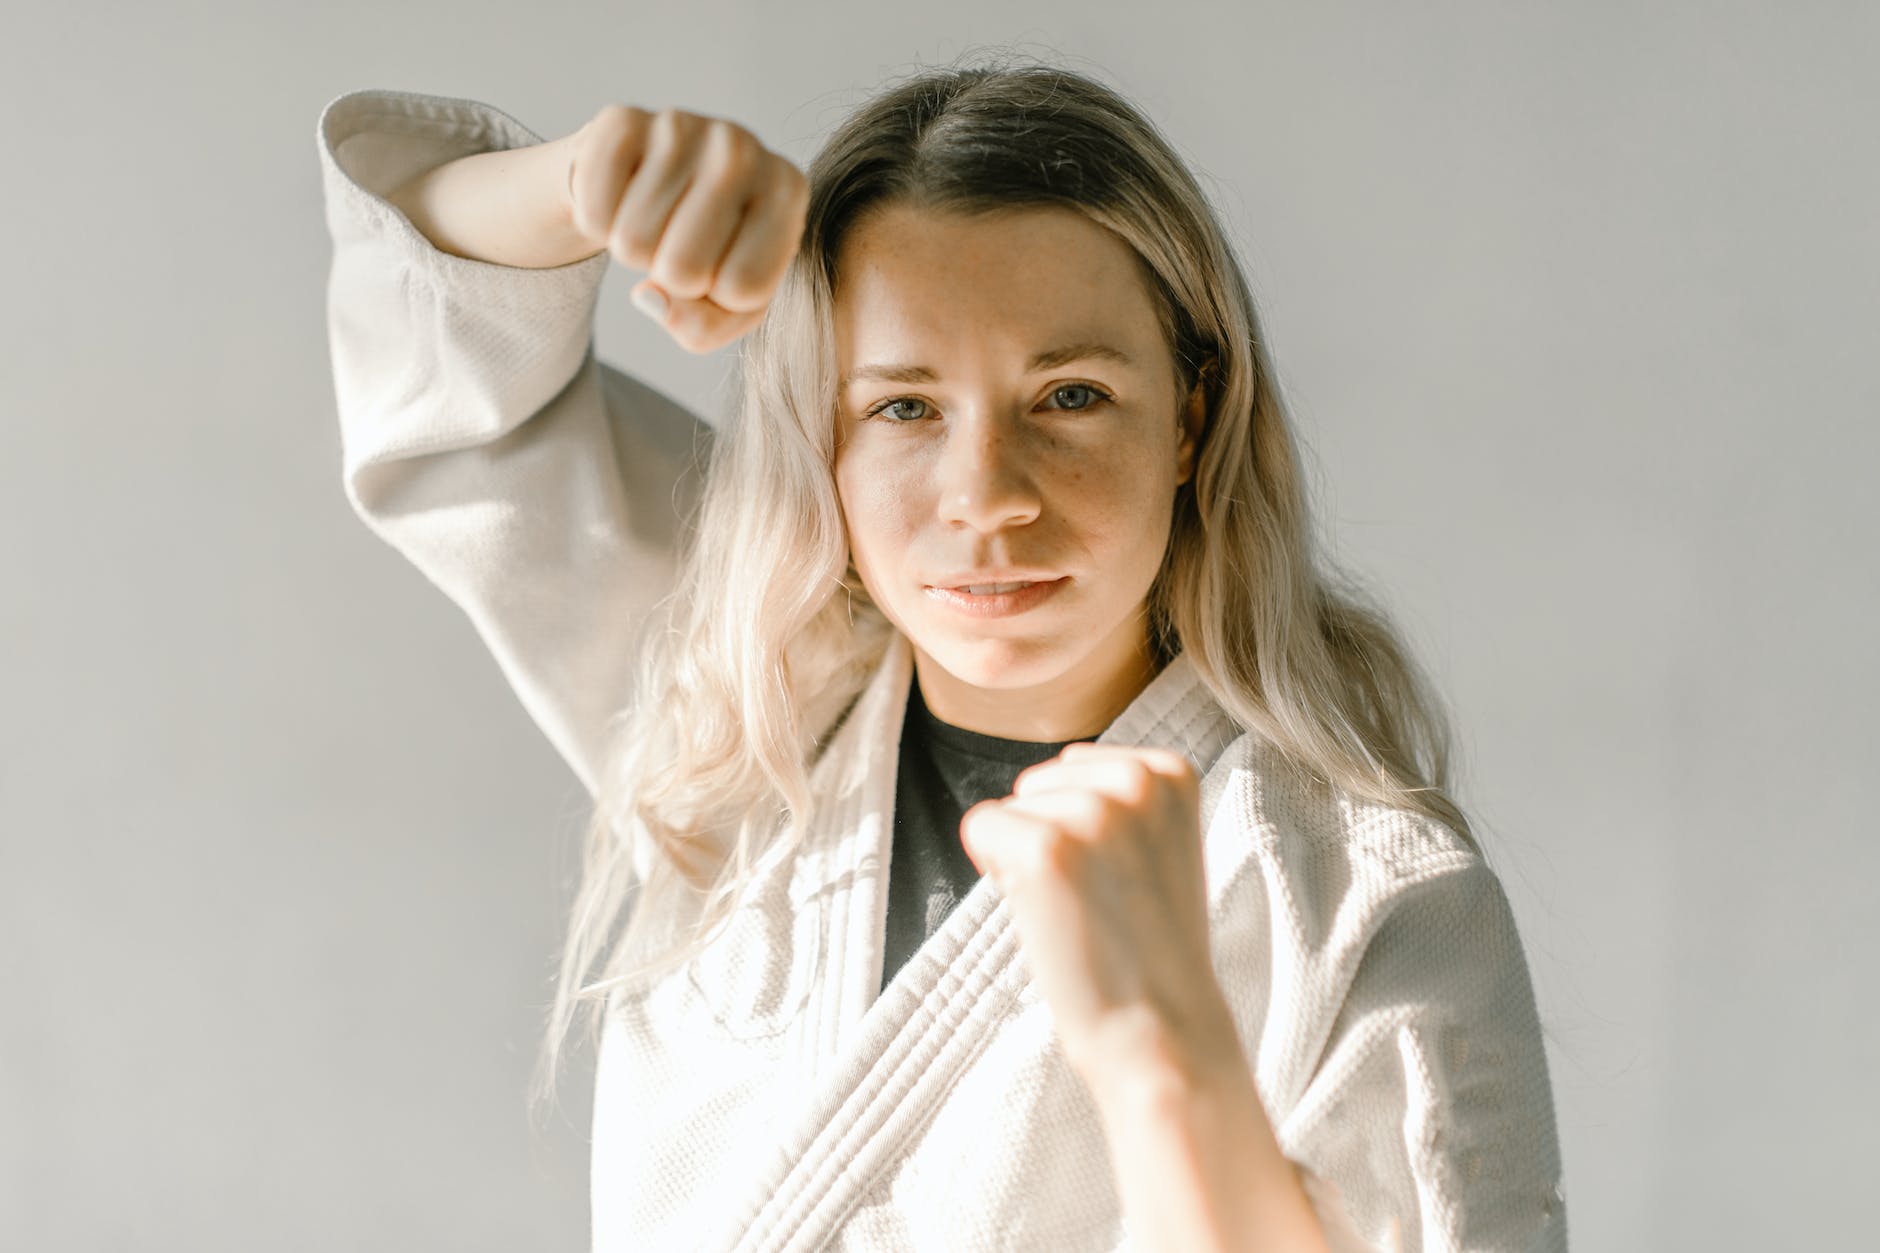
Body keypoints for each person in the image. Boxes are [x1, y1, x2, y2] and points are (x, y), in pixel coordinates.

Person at [315, 54, 1567, 1252]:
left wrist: (1163, 1047)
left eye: (1068, 395)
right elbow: (449, 397)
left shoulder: (1366, 895)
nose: (986, 495)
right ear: (827, 438)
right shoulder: (744, 703)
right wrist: (586, 179)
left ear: (1190, 418)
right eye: (903, 407)